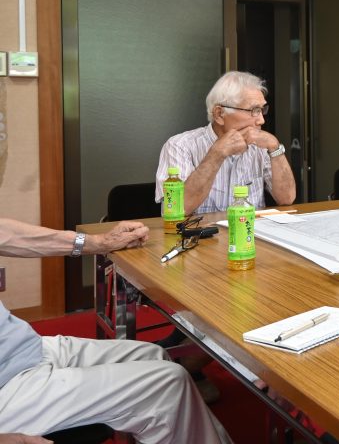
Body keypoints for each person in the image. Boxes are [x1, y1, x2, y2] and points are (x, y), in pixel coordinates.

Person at [0, 218, 232, 443]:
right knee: (169, 383)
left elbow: (6, 233)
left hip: (26, 348)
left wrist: (99, 243)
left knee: (153, 356)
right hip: (9, 388)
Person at [155, 71, 296, 214]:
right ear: (219, 114)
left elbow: (287, 198)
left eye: (261, 110)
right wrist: (217, 154)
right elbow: (177, 209)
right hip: (200, 235)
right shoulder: (179, 146)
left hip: (248, 232)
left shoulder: (259, 145)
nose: (261, 120)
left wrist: (275, 148)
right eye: (254, 110)